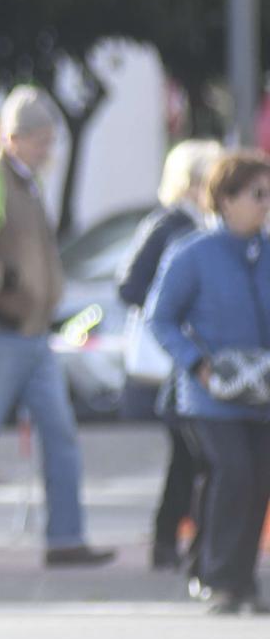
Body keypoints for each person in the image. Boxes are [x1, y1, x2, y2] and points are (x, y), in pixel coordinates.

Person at [0, 86, 114, 570]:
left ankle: (65, 537)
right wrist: (3, 281)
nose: (48, 150)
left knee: (61, 435)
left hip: (32, 333)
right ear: (14, 138)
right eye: (41, 140)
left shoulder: (26, 180)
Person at [146, 149, 270, 614]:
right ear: (226, 199)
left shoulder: (266, 251)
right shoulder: (193, 253)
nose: (265, 204)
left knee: (259, 480)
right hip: (209, 397)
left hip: (261, 395)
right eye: (257, 194)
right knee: (232, 473)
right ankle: (216, 577)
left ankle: (244, 581)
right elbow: (161, 319)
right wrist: (195, 362)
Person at [116, 139, 221, 570]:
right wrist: (175, 305)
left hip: (191, 357)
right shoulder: (172, 225)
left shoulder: (203, 225)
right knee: (193, 453)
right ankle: (176, 543)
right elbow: (131, 286)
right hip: (177, 358)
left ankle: (176, 543)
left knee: (192, 455)